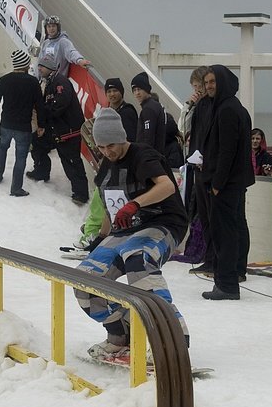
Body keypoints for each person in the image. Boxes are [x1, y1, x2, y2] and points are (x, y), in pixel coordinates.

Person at [74, 108, 189, 360]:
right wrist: (100, 240)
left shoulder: (143, 155)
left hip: (164, 222)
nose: (107, 152)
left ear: (122, 137)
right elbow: (108, 210)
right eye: (102, 147)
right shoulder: (105, 168)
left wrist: (136, 204)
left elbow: (167, 186)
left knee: (137, 258)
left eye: (111, 145)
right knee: (85, 278)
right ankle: (121, 333)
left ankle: (173, 336)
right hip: (127, 230)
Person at [199, 65, 254, 300]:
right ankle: (227, 281)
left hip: (225, 185)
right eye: (207, 82)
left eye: (213, 82)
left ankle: (227, 285)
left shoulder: (227, 110)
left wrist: (217, 183)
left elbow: (227, 151)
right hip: (232, 183)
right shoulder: (229, 107)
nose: (209, 86)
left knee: (225, 234)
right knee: (231, 231)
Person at [27, 56, 90, 205]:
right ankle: (41, 172)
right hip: (55, 130)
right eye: (39, 66)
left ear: (51, 67)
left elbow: (59, 104)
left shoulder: (60, 82)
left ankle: (81, 194)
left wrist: (44, 112)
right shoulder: (49, 82)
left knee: (71, 161)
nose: (40, 68)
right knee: (37, 142)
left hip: (68, 131)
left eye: (42, 66)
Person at [0, 50, 43, 197]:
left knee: (2, 147)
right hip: (23, 127)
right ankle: (16, 188)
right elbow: (39, 106)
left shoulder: (4, 80)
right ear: (25, 65)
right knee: (21, 157)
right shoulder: (33, 82)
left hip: (6, 124)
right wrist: (41, 125)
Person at [185, 66, 215, 276]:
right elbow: (184, 126)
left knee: (212, 217)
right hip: (196, 165)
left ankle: (213, 259)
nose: (198, 90)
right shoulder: (197, 107)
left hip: (209, 168)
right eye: (195, 87)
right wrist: (190, 106)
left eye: (200, 86)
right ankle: (207, 256)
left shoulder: (214, 107)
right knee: (202, 215)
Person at [131, 72, 166, 154]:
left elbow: (148, 139)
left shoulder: (148, 109)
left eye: (139, 89)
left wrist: (143, 157)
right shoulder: (156, 105)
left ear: (146, 89)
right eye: (134, 90)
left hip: (149, 158)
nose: (137, 93)